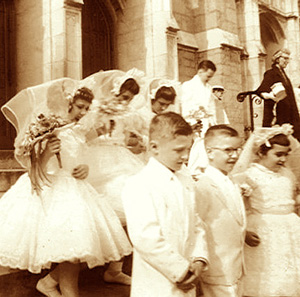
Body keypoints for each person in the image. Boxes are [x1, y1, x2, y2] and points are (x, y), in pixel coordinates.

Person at [0, 83, 132, 297]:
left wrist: (84, 168)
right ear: (68, 104)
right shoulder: (47, 129)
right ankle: (64, 291)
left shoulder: (78, 131)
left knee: (76, 251)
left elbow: (80, 158)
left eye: (86, 109)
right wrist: (46, 154)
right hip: (50, 193)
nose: (83, 112)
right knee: (72, 252)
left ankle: (49, 283)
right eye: (80, 106)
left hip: (74, 190)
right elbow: (34, 173)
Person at [122, 112, 209, 297]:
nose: (185, 157)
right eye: (178, 150)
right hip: (157, 282)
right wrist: (181, 271)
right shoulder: (140, 184)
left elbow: (196, 223)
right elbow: (145, 237)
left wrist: (199, 259)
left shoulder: (185, 179)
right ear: (154, 147)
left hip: (188, 278)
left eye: (188, 149)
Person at [82, 69, 148, 285]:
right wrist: (101, 129)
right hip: (98, 161)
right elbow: (83, 138)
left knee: (136, 206)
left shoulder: (129, 114)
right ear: (115, 91)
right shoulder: (97, 108)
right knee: (105, 212)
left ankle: (115, 268)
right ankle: (94, 263)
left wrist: (136, 144)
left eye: (129, 99)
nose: (125, 102)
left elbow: (132, 144)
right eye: (123, 96)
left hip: (122, 161)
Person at [232, 124, 300, 297]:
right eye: (278, 154)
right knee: (269, 280)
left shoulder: (287, 174)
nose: (283, 160)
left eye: (286, 154)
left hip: (291, 230)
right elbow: (239, 209)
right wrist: (244, 231)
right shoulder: (250, 175)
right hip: (265, 230)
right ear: (261, 153)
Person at [195, 124, 247, 297]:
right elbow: (196, 227)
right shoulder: (203, 185)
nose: (235, 155)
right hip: (217, 270)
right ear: (210, 152)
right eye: (228, 150)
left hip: (235, 268)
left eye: (237, 150)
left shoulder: (229, 180)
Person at [255, 48, 300, 141]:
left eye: (288, 59)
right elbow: (261, 91)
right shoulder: (270, 73)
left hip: (290, 113)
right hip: (278, 113)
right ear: (277, 59)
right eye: (285, 58)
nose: (287, 61)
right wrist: (272, 96)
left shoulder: (285, 76)